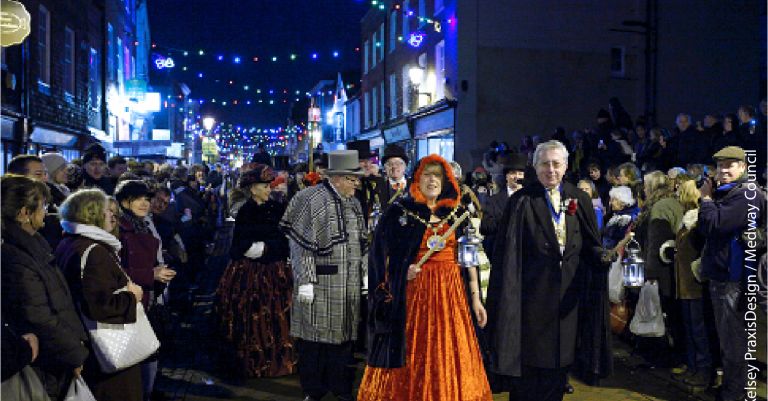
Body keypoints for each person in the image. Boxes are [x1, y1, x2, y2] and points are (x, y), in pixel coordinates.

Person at [358, 154, 492, 401]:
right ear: (417, 179)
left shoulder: (456, 214)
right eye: (427, 175)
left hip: (452, 296)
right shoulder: (398, 213)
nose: (432, 180)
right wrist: (401, 271)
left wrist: (475, 299)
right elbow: (379, 258)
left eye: (438, 176)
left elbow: (468, 258)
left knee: (450, 351)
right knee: (415, 352)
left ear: (447, 180)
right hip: (413, 297)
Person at [486, 140, 611, 401]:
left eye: (556, 164)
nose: (551, 170)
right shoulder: (522, 200)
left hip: (568, 303)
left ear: (565, 167)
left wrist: (601, 255)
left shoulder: (579, 198)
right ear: (535, 166)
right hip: (531, 300)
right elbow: (507, 255)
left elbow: (589, 242)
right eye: (545, 164)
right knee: (530, 374)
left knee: (559, 368)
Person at [279, 150, 368, 401]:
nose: (357, 184)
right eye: (353, 179)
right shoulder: (310, 199)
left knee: (343, 340)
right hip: (319, 283)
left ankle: (340, 387)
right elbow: (300, 246)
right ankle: (313, 390)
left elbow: (361, 242)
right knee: (314, 340)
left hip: (347, 284)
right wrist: (305, 280)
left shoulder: (354, 203)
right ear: (338, 177)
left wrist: (363, 275)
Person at [1, 175, 89, 400]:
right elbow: (38, 316)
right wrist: (75, 355)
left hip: (53, 356)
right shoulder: (16, 258)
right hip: (45, 362)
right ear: (24, 213)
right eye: (42, 206)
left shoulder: (34, 244)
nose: (46, 211)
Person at [55, 188, 144, 401]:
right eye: (107, 211)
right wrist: (133, 296)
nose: (113, 216)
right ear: (91, 213)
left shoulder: (70, 242)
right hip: (107, 349)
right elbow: (101, 305)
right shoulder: (94, 250)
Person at [698, 146, 766, 401]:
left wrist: (705, 199)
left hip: (732, 280)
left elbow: (712, 225)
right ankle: (731, 388)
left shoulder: (745, 194)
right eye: (720, 166)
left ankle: (734, 394)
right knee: (729, 340)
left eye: (730, 165)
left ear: (743, 167)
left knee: (734, 342)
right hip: (724, 276)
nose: (723, 170)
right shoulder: (731, 192)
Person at [216, 164, 296, 378]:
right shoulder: (246, 211)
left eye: (269, 185)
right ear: (252, 188)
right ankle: (254, 362)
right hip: (251, 272)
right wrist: (260, 248)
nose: (269, 189)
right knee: (253, 315)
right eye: (264, 186)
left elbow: (287, 237)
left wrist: (271, 248)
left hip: (276, 269)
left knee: (277, 314)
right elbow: (239, 245)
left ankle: (277, 360)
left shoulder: (278, 208)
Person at [114, 180, 176, 400]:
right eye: (138, 199)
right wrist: (152, 274)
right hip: (131, 300)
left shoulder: (143, 223)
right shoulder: (120, 227)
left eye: (147, 199)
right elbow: (117, 270)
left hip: (147, 296)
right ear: (124, 202)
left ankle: (146, 392)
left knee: (150, 350)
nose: (144, 203)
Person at [482, 153, 527, 256]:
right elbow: (485, 227)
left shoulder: (530, 200)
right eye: (513, 173)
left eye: (520, 173)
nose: (516, 177)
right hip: (501, 253)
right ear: (506, 176)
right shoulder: (493, 200)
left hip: (525, 254)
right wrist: (506, 218)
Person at [378, 144, 410, 213]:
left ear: (405, 166)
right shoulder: (378, 187)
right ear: (384, 168)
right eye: (390, 164)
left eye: (398, 163)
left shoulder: (416, 185)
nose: (394, 167)